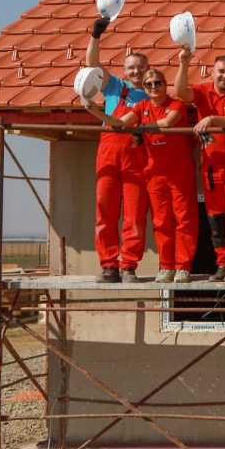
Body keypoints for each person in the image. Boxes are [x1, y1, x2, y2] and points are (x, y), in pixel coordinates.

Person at [178, 48, 225, 282]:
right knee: (215, 218)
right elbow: (180, 92)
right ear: (213, 72)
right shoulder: (203, 90)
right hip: (210, 168)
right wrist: (183, 63)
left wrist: (211, 119)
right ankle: (222, 263)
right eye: (221, 71)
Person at [84, 15, 148, 284]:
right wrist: (95, 36)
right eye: (131, 68)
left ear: (147, 70)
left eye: (140, 68)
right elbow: (92, 65)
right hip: (109, 151)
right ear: (125, 70)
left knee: (134, 213)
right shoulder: (115, 86)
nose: (135, 72)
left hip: (136, 154)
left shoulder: (152, 94)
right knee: (105, 210)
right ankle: (109, 265)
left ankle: (128, 266)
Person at [133, 68, 198, 283]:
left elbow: (167, 123)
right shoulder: (142, 106)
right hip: (155, 173)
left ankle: (183, 266)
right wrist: (94, 110)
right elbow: (121, 122)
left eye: (157, 83)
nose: (153, 87)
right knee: (160, 221)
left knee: (184, 219)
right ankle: (166, 265)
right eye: (148, 84)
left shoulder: (175, 104)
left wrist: (141, 128)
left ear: (165, 84)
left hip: (179, 171)